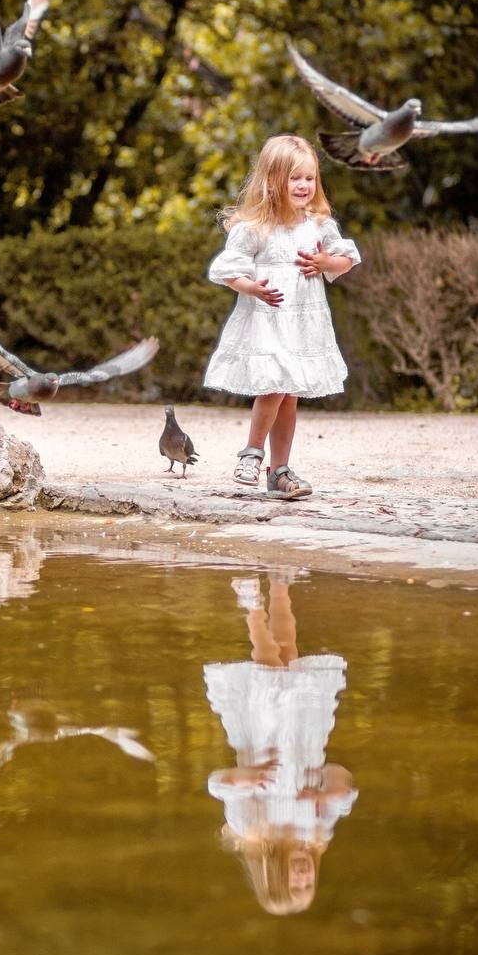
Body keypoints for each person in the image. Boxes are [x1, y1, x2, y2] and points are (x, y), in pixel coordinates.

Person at [203, 134, 360, 498]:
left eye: (309, 177)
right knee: (274, 385)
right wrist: (253, 287)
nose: (304, 185)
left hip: (303, 324)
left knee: (289, 394)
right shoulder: (255, 227)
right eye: (294, 178)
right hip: (268, 318)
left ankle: (280, 470)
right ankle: (252, 451)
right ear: (272, 180)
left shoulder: (318, 224)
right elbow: (230, 271)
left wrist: (325, 263)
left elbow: (346, 259)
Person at [204, 574, 357, 915]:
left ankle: (252, 609)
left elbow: (219, 786)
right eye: (309, 884)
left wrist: (247, 778)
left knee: (271, 670)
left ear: (273, 874)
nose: (305, 876)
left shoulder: (252, 829)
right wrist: (327, 793)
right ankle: (280, 584)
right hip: (306, 730)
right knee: (289, 654)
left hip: (263, 737)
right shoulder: (318, 832)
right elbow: (339, 776)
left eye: (295, 883)